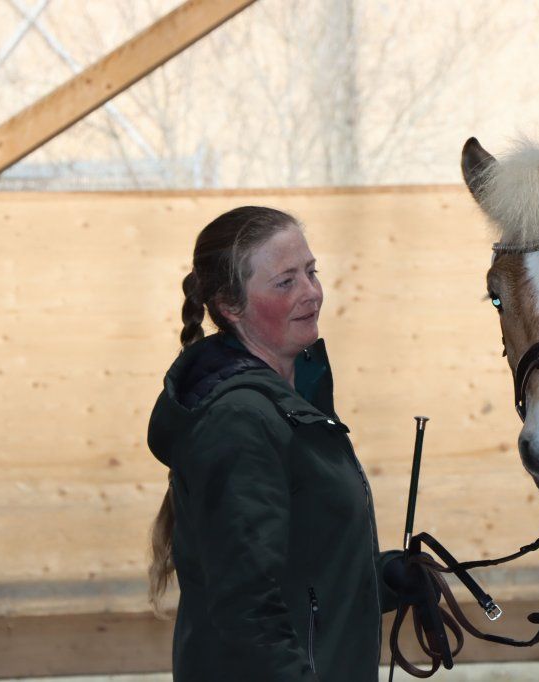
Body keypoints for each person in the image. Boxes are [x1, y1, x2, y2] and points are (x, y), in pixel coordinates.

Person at [146, 206, 402, 680]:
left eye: (311, 272)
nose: (312, 293)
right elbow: (246, 611)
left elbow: (299, 574)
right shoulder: (240, 421)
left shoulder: (288, 401)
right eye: (285, 282)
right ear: (230, 306)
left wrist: (381, 578)